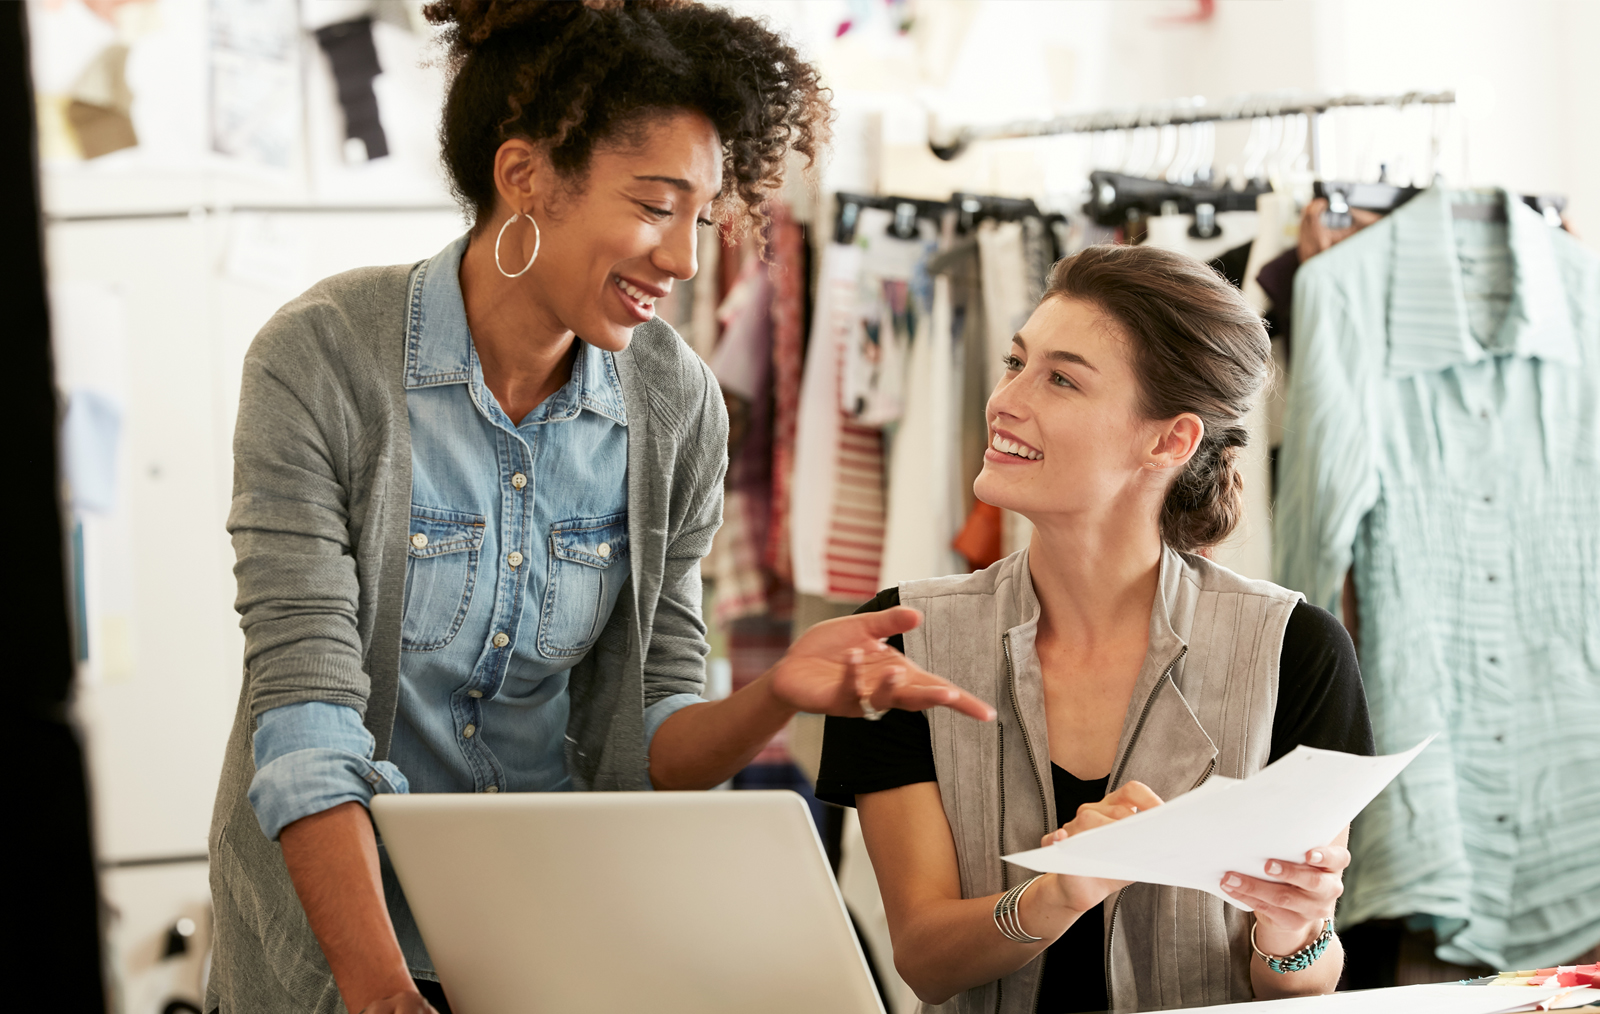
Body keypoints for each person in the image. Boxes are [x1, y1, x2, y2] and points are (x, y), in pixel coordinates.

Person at [205, 4, 993, 1013]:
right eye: (657, 206)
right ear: (523, 175)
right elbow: (305, 711)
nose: (685, 261)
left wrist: (774, 695)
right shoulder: (322, 359)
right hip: (338, 950)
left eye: (702, 218)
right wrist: (382, 992)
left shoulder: (675, 405)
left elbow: (653, 738)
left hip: (546, 939)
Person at [817, 244, 1375, 1014]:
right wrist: (1058, 893)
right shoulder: (904, 639)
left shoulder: (1297, 650)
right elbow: (925, 961)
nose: (1006, 398)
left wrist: (1294, 931)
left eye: (1061, 379)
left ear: (1170, 442)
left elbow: (1301, 982)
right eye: (1016, 362)